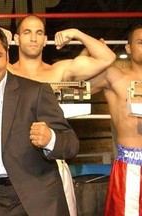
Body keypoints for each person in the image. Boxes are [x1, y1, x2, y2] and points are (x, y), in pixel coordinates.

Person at [0, 14, 116, 216]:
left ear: (6, 57)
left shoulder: (37, 91)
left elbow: (71, 145)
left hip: (37, 199)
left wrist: (50, 139)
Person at [89, 24, 142, 216]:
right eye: (141, 42)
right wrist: (91, 54)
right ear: (128, 48)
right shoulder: (114, 75)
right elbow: (78, 88)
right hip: (130, 166)